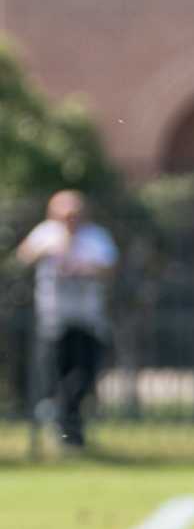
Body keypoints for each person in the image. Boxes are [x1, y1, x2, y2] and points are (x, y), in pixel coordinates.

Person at [14, 190, 119, 453]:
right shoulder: (46, 233)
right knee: (55, 375)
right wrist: (49, 248)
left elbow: (110, 267)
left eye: (74, 215)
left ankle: (70, 428)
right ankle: (66, 432)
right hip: (54, 318)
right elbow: (23, 256)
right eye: (64, 215)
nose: (70, 220)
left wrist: (85, 266)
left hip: (87, 318)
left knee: (83, 375)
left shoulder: (95, 237)